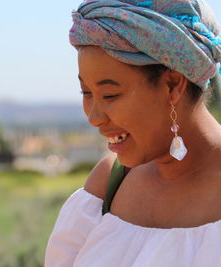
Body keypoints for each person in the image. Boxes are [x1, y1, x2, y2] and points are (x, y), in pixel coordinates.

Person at [45, 0, 221, 266]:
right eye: (86, 93)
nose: (94, 118)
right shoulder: (107, 185)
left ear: (173, 85)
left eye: (110, 95)